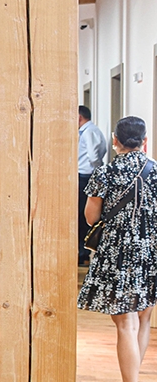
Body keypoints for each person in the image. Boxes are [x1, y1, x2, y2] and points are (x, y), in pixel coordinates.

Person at [78, 116, 157, 382]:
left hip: (118, 253)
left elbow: (90, 217)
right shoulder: (155, 170)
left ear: (114, 140)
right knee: (143, 320)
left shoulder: (106, 172)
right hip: (150, 251)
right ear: (144, 141)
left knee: (125, 323)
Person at [78, 105, 109, 265]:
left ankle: (83, 252)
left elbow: (93, 155)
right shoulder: (91, 130)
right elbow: (101, 150)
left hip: (86, 175)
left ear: (79, 117)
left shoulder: (89, 132)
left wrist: (96, 171)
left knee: (83, 214)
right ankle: (82, 251)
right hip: (87, 174)